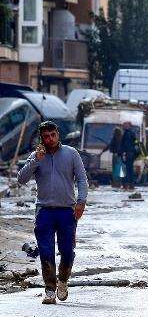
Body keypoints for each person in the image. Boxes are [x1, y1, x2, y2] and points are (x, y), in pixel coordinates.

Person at [18, 121, 88, 304]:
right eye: (45, 137)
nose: (49, 139)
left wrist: (81, 202)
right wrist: (35, 161)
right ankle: (49, 289)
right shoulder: (36, 156)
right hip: (44, 211)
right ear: (41, 138)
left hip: (67, 211)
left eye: (52, 135)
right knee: (46, 251)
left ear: (58, 134)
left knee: (67, 251)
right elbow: (21, 179)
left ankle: (63, 281)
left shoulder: (71, 154)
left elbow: (82, 179)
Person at [120, 121, 138, 190]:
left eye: (125, 125)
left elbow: (126, 144)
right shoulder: (132, 133)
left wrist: (123, 152)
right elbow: (135, 142)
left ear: (129, 126)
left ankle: (126, 184)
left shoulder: (127, 133)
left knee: (126, 169)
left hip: (128, 153)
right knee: (130, 169)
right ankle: (131, 184)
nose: (123, 126)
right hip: (131, 153)